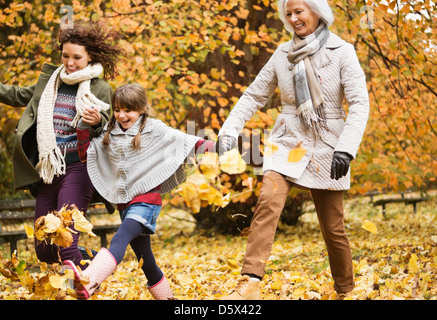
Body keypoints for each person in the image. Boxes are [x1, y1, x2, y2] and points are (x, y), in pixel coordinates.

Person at [217, 0, 369, 299]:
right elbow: (253, 96)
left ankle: (345, 290)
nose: (293, 18)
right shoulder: (282, 54)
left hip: (329, 145)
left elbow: (359, 104)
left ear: (317, 11)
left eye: (299, 11)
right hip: (289, 142)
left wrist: (346, 149)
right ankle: (250, 283)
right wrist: (229, 130)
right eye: (288, 14)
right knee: (267, 204)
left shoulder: (343, 52)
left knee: (333, 228)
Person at [64, 84, 215, 300]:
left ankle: (89, 281)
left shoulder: (155, 129)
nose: (122, 115)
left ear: (142, 108)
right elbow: (87, 155)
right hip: (125, 205)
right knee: (147, 263)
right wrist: (82, 128)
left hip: (147, 202)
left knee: (120, 238)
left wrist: (218, 147)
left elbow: (186, 140)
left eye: (128, 110)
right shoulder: (110, 133)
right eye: (117, 110)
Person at [0, 22, 125, 268]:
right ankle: (89, 260)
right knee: (44, 249)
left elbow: (111, 129)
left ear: (90, 57)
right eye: (65, 56)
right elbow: (17, 95)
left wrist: (98, 121)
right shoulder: (50, 82)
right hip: (49, 170)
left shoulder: (100, 88)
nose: (70, 62)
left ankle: (82, 286)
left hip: (80, 168)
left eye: (77, 57)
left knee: (65, 241)